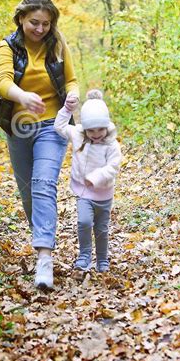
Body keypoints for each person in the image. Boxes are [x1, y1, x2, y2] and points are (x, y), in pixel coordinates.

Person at [0, 0, 79, 290]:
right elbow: (2, 81)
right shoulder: (7, 46)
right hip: (19, 126)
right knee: (29, 192)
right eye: (34, 23)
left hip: (53, 125)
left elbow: (70, 79)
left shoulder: (57, 44)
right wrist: (22, 96)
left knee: (44, 184)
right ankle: (42, 235)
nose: (40, 29)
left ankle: (45, 257)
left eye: (45, 24)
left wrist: (74, 93)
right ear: (21, 18)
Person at [54, 89, 121, 272]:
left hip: (104, 194)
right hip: (83, 192)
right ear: (85, 128)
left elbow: (113, 167)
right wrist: (67, 109)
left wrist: (96, 177)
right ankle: (84, 255)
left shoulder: (111, 144)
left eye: (100, 129)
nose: (96, 134)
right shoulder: (77, 135)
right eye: (91, 130)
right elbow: (59, 126)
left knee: (101, 229)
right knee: (84, 222)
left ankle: (102, 259)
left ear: (106, 125)